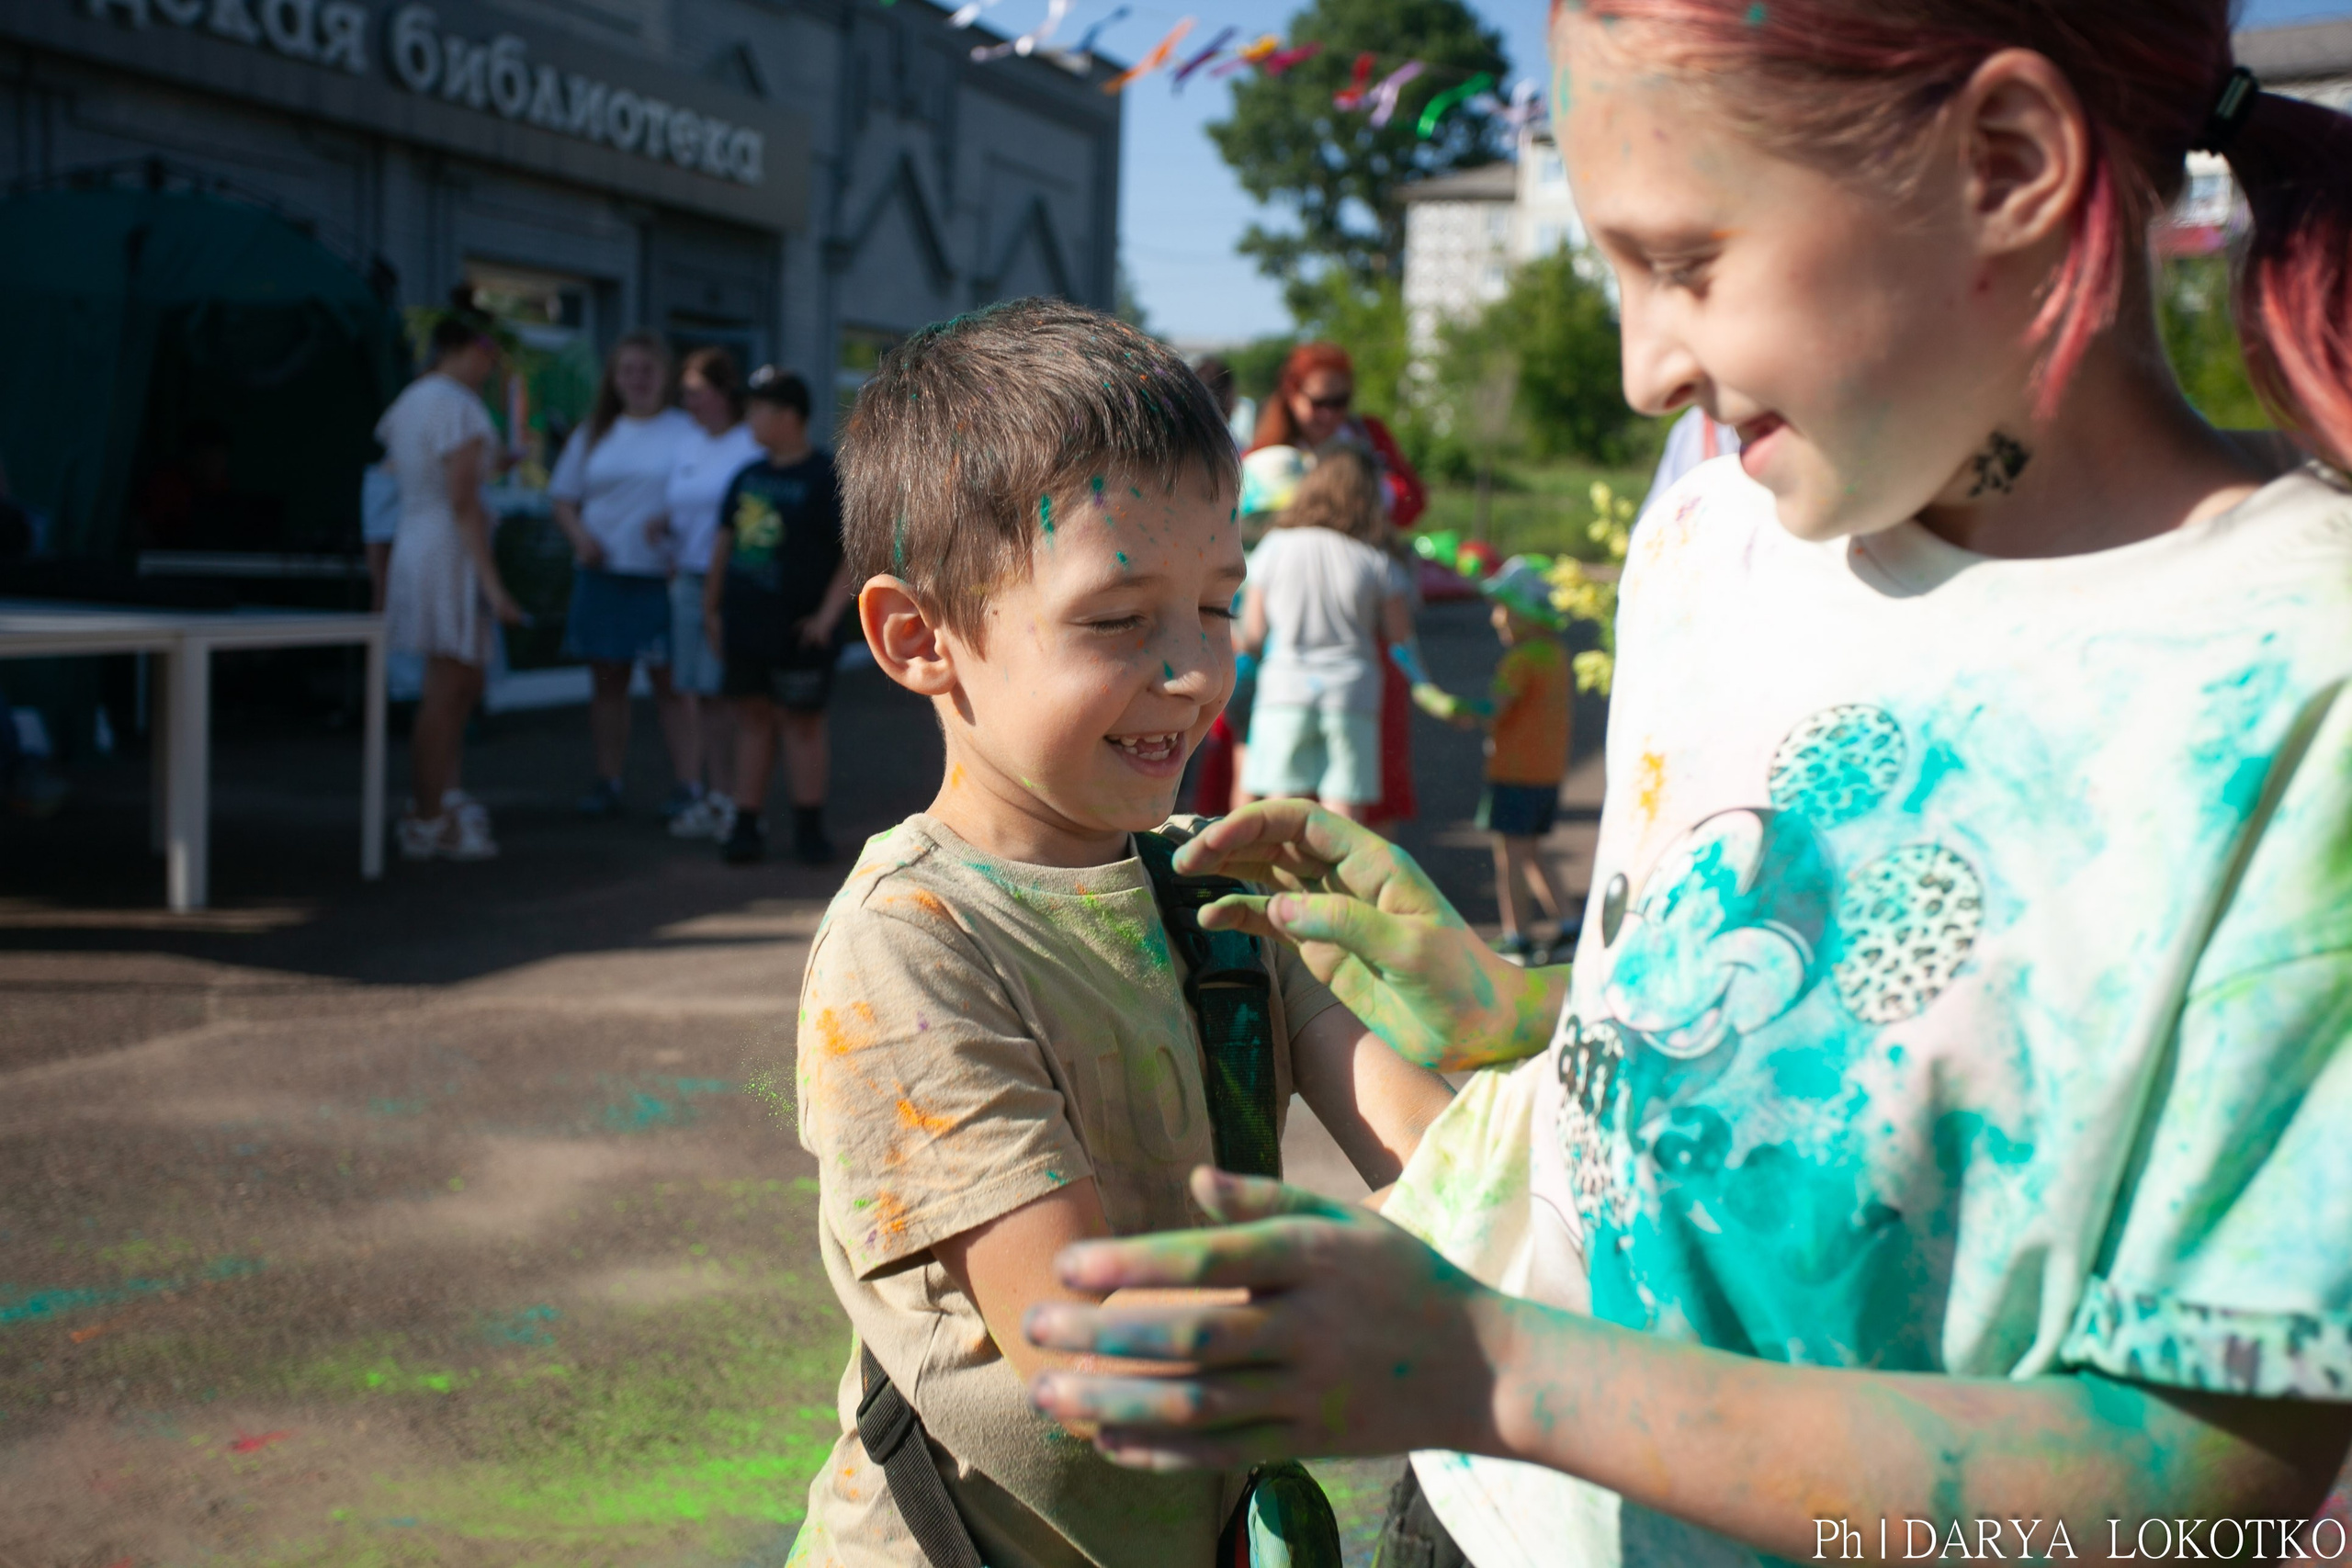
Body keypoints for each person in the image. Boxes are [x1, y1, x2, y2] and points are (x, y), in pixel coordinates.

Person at [1021, 3, 2352, 1559]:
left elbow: (2201, 1483)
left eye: (1687, 263)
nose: (1646, 370)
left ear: (2007, 165)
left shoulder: (2300, 691)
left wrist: (1494, 1367)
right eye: (1616, 271)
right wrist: (1530, 1005)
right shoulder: (1718, 523)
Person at [784, 296, 1452, 1568]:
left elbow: (1442, 1162)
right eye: (1116, 619)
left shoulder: (1215, 890)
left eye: (1217, 606)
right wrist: (1445, 1291)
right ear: (919, 638)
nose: (1195, 672)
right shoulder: (911, 944)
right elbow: (1093, 1356)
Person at [1250, 346, 1428, 829]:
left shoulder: (1367, 438)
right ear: (1291, 396)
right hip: (1343, 671)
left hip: (1291, 670)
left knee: (1283, 796)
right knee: (1341, 796)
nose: (1330, 414)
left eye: (1341, 402)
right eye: (1319, 402)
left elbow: (1413, 500)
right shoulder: (1268, 454)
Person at [378, 293, 523, 861]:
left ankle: (441, 800)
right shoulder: (458, 405)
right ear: (469, 348)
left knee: (454, 686)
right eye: (490, 353)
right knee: (448, 689)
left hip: (420, 541)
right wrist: (494, 587)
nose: (492, 366)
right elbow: (463, 503)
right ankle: (427, 816)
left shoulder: (414, 399)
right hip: (447, 550)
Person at [704, 367, 853, 866]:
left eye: (759, 408)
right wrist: (711, 608)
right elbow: (723, 545)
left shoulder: (826, 476)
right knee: (752, 719)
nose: (749, 417)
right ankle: (745, 823)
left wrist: (826, 617)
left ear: (790, 415)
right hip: (748, 625)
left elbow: (853, 554)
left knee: (802, 723)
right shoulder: (747, 476)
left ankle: (809, 827)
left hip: (801, 631)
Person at [548, 331, 699, 819]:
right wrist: (580, 539)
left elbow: (701, 498)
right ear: (614, 378)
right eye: (628, 370)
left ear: (665, 377)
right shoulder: (594, 431)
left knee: (672, 686)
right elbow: (563, 499)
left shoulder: (685, 431)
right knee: (607, 684)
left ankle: (689, 786)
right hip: (603, 576)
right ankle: (607, 781)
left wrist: (674, 527)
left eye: (647, 370)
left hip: (661, 579)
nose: (638, 379)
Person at [1238, 449, 1413, 826]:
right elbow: (1401, 638)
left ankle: (1282, 868)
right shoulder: (1373, 556)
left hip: (1284, 689)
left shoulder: (1274, 546)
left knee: (1282, 806)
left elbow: (1253, 635)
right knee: (1344, 807)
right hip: (1352, 691)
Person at [1420, 556, 1577, 966]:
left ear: (1527, 613)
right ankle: (1569, 925)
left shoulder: (1521, 660)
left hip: (1515, 773)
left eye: (1504, 609)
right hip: (1546, 772)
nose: (1496, 619)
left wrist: (1448, 705)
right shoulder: (1555, 654)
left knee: (1509, 856)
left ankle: (1517, 937)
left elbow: (1494, 709)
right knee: (1532, 851)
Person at [661, 346, 763, 842]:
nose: (689, 402)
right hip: (687, 579)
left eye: (697, 392)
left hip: (731, 584)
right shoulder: (687, 443)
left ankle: (738, 801)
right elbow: (683, 507)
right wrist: (663, 528)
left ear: (724, 392)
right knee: (699, 694)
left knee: (730, 695)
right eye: (685, 394)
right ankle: (714, 795)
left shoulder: (749, 446)